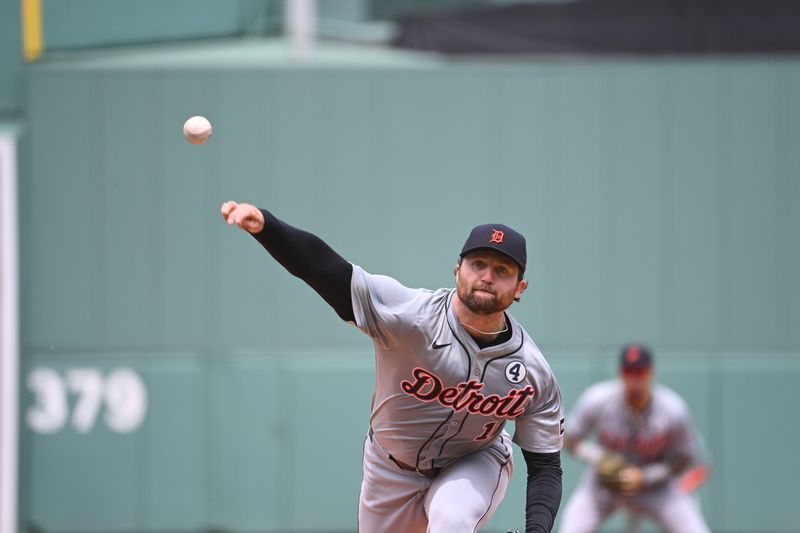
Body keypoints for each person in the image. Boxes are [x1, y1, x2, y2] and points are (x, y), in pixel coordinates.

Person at [221, 201, 565, 532]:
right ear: (458, 269)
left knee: (452, 518)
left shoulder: (533, 372)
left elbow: (546, 465)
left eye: (502, 270)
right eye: (478, 264)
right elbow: (327, 270)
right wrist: (267, 227)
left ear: (520, 287)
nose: (487, 276)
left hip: (474, 461)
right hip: (389, 468)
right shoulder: (410, 315)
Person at [558, 344, 711, 533]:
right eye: (628, 371)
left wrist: (646, 477)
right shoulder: (598, 399)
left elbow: (684, 458)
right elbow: (569, 439)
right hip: (604, 485)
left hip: (657, 488)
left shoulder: (672, 409)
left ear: (650, 373)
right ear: (620, 372)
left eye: (639, 371)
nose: (634, 378)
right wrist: (600, 458)